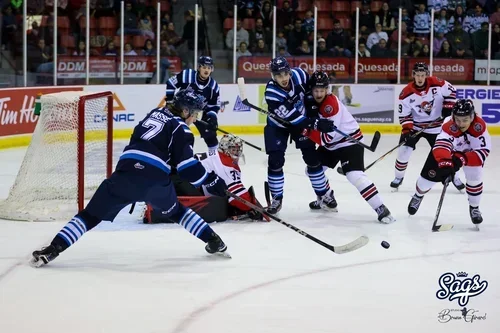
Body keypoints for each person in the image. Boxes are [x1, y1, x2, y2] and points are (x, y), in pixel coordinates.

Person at [29, 90, 230, 268]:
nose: (195, 118)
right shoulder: (182, 129)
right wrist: (212, 181)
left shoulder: (154, 113)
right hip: (154, 180)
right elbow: (188, 169)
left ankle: (53, 248)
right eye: (194, 113)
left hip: (125, 174)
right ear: (185, 111)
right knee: (176, 212)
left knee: (89, 216)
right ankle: (214, 240)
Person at [303, 71, 396, 223]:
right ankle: (327, 198)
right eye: (316, 90)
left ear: (327, 89)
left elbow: (326, 139)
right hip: (333, 144)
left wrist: (306, 131)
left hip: (349, 142)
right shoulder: (310, 101)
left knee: (354, 175)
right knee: (312, 170)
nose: (319, 94)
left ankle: (380, 208)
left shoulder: (330, 106)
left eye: (322, 90)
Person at [264, 56, 336, 214]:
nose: (283, 78)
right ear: (273, 76)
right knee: (275, 161)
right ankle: (277, 198)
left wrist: (314, 110)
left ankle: (324, 194)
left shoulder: (300, 75)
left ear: (289, 72)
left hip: (303, 120)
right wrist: (316, 123)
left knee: (312, 159)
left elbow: (315, 89)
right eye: (278, 75)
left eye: (285, 74)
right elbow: (293, 118)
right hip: (278, 126)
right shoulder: (272, 93)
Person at [144, 134, 265, 223]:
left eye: (238, 150)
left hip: (169, 175)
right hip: (179, 181)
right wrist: (252, 208)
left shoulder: (215, 155)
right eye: (233, 149)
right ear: (224, 149)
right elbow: (239, 198)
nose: (237, 153)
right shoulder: (225, 163)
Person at [407, 99, 490, 225]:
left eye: (465, 120)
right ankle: (418, 195)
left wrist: (461, 159)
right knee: (425, 181)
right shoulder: (448, 125)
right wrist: (446, 164)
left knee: (475, 177)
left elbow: (483, 152)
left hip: (469, 155)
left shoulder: (479, 127)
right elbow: (441, 146)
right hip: (448, 153)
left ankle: (474, 207)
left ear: (472, 117)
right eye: (458, 119)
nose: (461, 124)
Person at [391, 62, 465, 192]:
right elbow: (404, 115)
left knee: (446, 153)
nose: (420, 78)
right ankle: (398, 177)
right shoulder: (406, 93)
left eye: (422, 75)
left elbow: (452, 91)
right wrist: (407, 131)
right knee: (404, 151)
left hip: (437, 127)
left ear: (426, 75)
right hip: (415, 127)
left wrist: (448, 107)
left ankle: (455, 177)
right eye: (417, 75)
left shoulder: (437, 83)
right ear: (413, 75)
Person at [166, 56, 220, 153]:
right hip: (182, 109)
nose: (206, 70)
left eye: (209, 68)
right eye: (204, 67)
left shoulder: (213, 86)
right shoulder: (188, 75)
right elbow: (171, 83)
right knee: (173, 131)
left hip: (199, 112)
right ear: (199, 67)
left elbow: (214, 106)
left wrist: (212, 119)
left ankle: (214, 158)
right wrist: (170, 101)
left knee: (210, 135)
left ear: (212, 69)